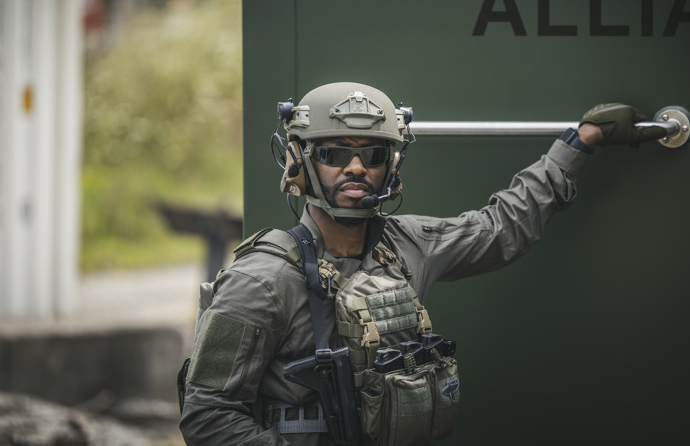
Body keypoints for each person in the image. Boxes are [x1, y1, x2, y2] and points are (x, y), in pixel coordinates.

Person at [179, 82, 665, 446]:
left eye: (371, 154)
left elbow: (501, 227)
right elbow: (207, 413)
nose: (355, 168)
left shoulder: (406, 243)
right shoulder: (260, 277)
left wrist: (580, 141)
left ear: (390, 164)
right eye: (332, 154)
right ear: (299, 162)